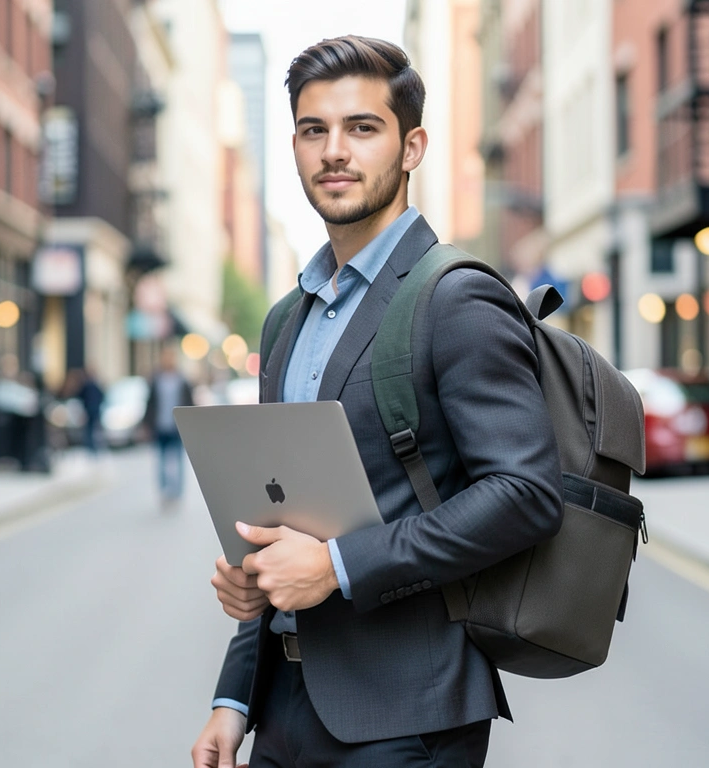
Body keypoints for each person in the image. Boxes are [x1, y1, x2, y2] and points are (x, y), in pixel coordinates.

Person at [192, 36, 561, 768]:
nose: (334, 150)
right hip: (282, 713)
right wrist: (232, 699)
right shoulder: (285, 320)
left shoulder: (456, 298)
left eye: (362, 127)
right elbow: (278, 521)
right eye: (314, 130)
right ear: (295, 148)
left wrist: (337, 565)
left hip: (407, 719)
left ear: (412, 146)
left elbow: (525, 494)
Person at [143, 343, 193, 505]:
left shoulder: (182, 380)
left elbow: (189, 404)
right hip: (160, 426)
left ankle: (177, 492)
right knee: (161, 461)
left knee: (178, 460)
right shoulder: (156, 380)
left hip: (177, 427)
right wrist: (146, 424)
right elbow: (149, 403)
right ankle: (164, 491)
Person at [74, 368, 105, 457]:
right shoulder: (95, 385)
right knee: (94, 429)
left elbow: (79, 395)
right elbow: (102, 395)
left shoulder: (87, 386)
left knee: (90, 430)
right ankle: (94, 447)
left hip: (90, 410)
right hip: (95, 410)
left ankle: (91, 447)